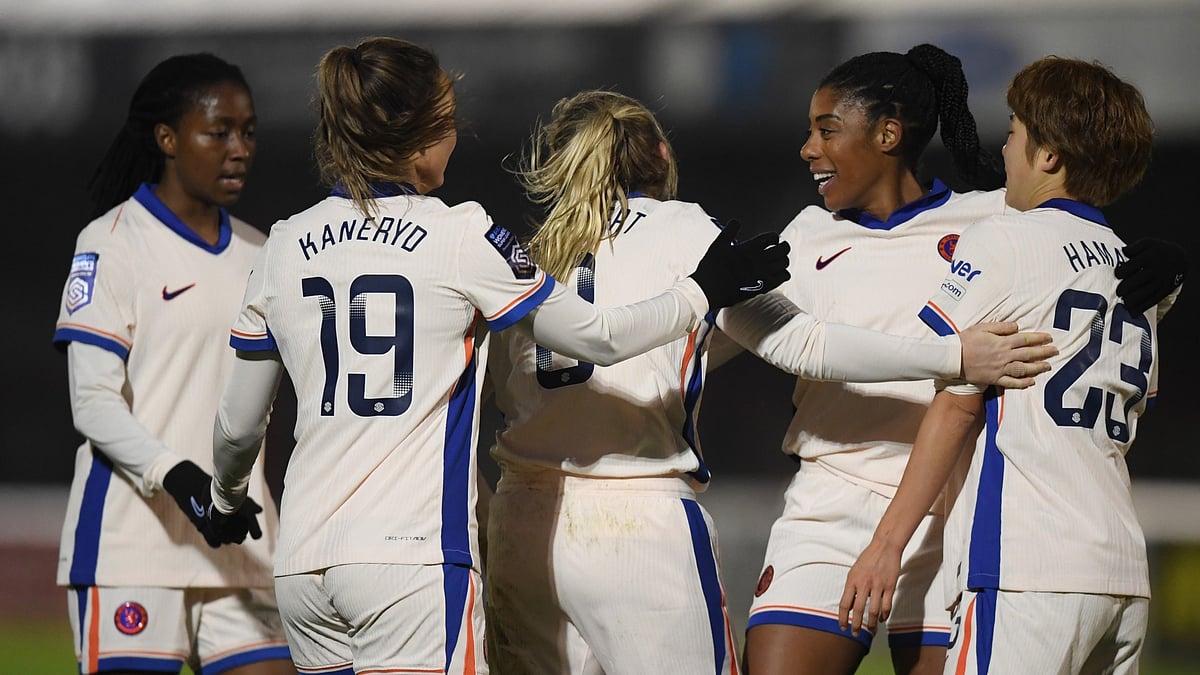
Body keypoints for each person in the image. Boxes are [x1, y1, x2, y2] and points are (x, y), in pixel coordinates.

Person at [205, 37, 789, 675]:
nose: (457, 137)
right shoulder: (462, 235)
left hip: (303, 562)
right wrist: (701, 290)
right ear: (421, 133)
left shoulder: (284, 245)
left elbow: (237, 429)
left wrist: (229, 500)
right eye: (450, 121)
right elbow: (598, 338)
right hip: (412, 561)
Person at [482, 90, 1057, 675]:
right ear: (659, 151)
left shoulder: (525, 255)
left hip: (522, 524)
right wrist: (952, 356)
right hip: (638, 521)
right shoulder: (683, 231)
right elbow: (801, 344)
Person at [742, 45, 1186, 675]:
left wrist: (1169, 266)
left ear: (888, 133)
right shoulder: (803, 237)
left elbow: (961, 399)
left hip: (963, 512)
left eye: (825, 129)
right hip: (836, 504)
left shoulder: (996, 223)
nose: (808, 148)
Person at [51, 54, 293, 675]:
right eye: (219, 132)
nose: (239, 148)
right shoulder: (110, 242)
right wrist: (180, 478)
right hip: (133, 547)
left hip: (243, 544)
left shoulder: (262, 252)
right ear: (167, 138)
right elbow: (94, 404)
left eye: (249, 131)